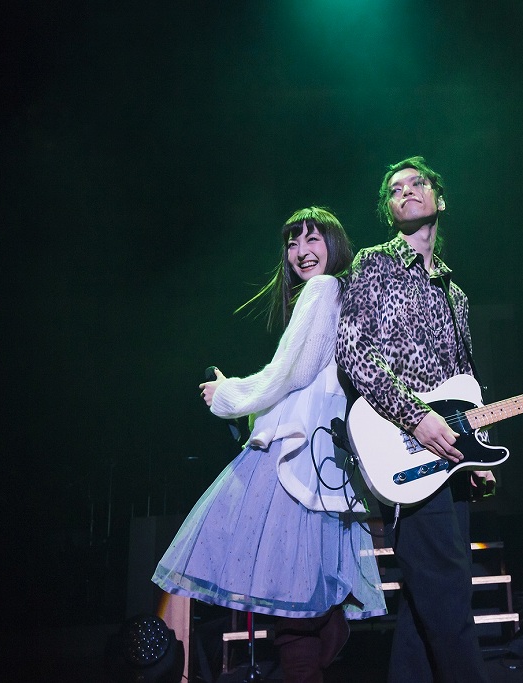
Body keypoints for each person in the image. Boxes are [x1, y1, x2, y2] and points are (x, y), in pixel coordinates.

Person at [153, 207, 386, 683]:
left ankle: (329, 627)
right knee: (298, 596)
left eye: (312, 239)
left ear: (334, 244)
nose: (301, 251)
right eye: (292, 244)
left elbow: (289, 374)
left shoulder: (322, 289)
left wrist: (229, 395)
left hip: (295, 458)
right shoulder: (338, 294)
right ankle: (330, 626)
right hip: (322, 459)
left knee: (288, 597)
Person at [336, 156, 494, 683]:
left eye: (416, 183)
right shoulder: (374, 264)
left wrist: (476, 451)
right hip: (403, 447)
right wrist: (415, 418)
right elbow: (354, 352)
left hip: (451, 458)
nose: (405, 191)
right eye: (394, 189)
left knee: (429, 604)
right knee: (447, 598)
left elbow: (462, 385)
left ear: (439, 199)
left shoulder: (455, 293)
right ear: (389, 209)